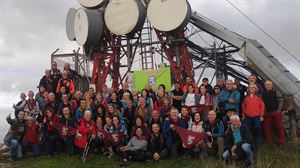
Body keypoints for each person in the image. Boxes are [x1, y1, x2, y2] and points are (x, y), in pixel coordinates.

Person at [262, 80, 285, 145]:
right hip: (268, 113)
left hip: (276, 112)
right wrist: (265, 111)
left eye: (269, 84)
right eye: (266, 85)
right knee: (265, 126)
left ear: (272, 85)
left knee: (280, 127)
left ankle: (282, 142)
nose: (267, 86)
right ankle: (269, 142)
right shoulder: (264, 94)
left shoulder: (276, 92)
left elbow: (281, 101)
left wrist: (278, 111)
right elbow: (263, 103)